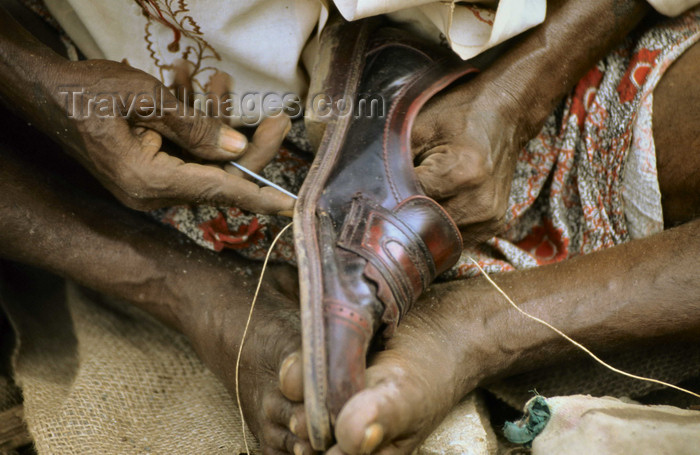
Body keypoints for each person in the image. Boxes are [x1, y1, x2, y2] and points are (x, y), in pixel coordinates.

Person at [0, 0, 698, 454]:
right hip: (176, 132)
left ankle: (476, 323)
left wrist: (520, 92)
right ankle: (204, 290)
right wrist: (35, 80)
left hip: (545, 47)